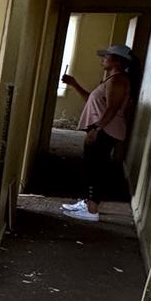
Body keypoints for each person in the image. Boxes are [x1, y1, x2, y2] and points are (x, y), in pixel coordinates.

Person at [59, 43, 136, 222]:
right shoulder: (112, 78)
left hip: (107, 130)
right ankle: (88, 203)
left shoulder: (118, 80)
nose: (103, 59)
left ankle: (92, 210)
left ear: (117, 61)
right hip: (104, 129)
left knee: (96, 168)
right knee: (92, 166)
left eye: (106, 57)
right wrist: (73, 84)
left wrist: (96, 129)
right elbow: (90, 99)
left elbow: (112, 109)